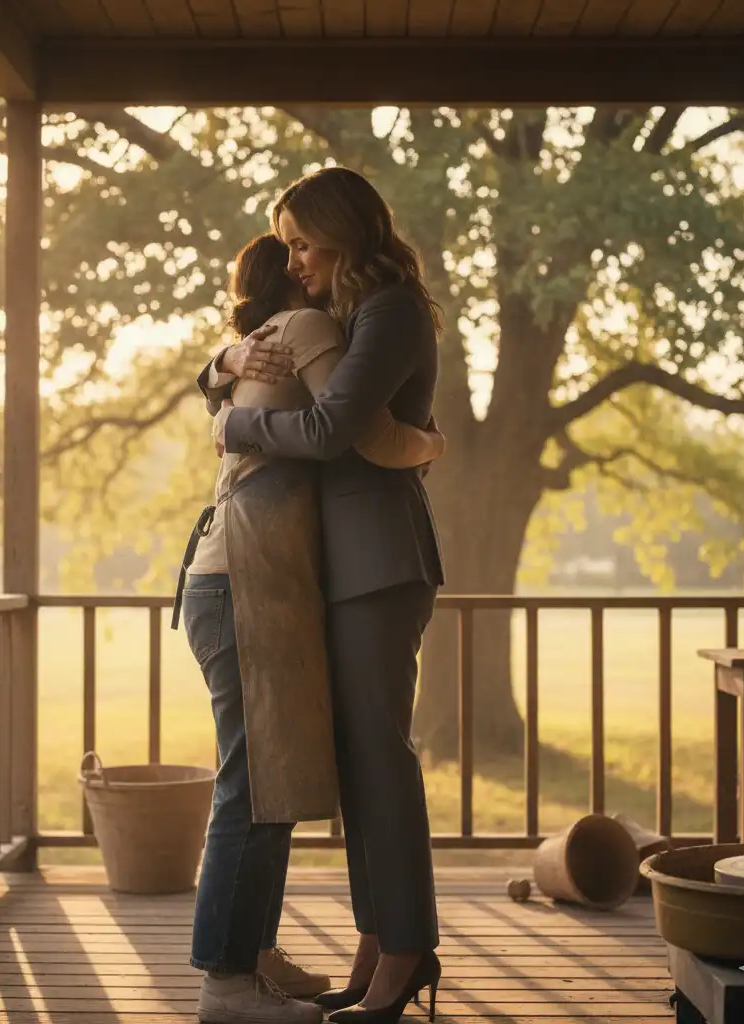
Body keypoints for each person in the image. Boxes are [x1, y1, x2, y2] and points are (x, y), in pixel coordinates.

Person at [180, 232, 445, 1024]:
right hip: (268, 576)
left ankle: (382, 949)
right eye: (291, 251)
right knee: (276, 775)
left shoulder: (331, 325)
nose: (302, 262)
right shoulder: (304, 332)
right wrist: (430, 443)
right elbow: (352, 432)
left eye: (309, 243)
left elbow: (340, 430)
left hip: (335, 566)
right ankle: (263, 966)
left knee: (330, 767)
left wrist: (227, 390)